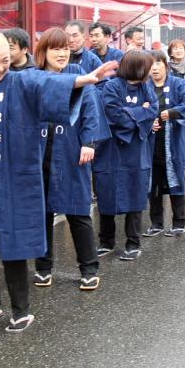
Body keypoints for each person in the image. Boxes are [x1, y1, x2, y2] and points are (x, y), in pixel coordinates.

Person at [0, 30, 116, 333]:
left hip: (11, 183)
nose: (1, 67)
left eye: (5, 61)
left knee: (11, 244)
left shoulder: (19, 82)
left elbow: (48, 83)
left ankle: (21, 310)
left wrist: (83, 79)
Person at [31, 28, 111, 291]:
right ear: (43, 52)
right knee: (42, 213)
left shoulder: (79, 74)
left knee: (78, 210)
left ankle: (89, 268)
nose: (62, 53)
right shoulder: (33, 78)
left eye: (65, 48)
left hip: (71, 150)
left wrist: (88, 142)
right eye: (56, 48)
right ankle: (43, 268)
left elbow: (90, 109)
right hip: (40, 152)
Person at [93, 50, 159, 260]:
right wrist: (140, 112)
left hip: (137, 151)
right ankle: (106, 241)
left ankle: (133, 242)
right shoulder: (112, 86)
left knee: (135, 194)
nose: (150, 71)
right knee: (107, 193)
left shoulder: (146, 87)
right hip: (111, 150)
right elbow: (113, 114)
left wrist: (134, 113)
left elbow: (153, 111)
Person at [144, 51, 185, 237]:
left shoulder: (179, 84)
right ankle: (156, 223)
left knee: (176, 179)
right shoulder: (144, 87)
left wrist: (174, 112)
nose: (155, 68)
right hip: (150, 143)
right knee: (154, 184)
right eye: (151, 64)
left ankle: (179, 222)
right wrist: (147, 120)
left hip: (172, 143)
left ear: (166, 66)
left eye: (158, 63)